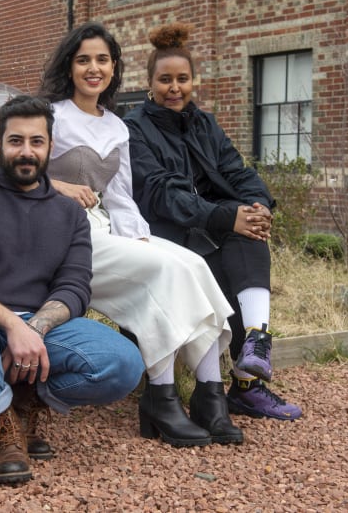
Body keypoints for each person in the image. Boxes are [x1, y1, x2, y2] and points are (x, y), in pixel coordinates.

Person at [0, 95, 145, 484]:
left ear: (50, 146)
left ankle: (23, 403)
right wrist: (13, 327)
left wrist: (34, 329)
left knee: (124, 363)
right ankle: (4, 425)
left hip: (42, 331)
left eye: (36, 141)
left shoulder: (71, 213)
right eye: (16, 141)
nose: (26, 151)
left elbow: (75, 288)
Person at [39, 22, 243, 448]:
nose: (93, 68)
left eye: (102, 60)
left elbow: (120, 196)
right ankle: (161, 399)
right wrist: (58, 186)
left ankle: (210, 396)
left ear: (114, 67)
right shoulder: (50, 116)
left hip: (106, 229)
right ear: (69, 66)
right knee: (161, 272)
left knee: (191, 264)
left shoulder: (117, 126)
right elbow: (11, 171)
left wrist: (141, 237)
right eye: (83, 60)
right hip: (60, 235)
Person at [124, 23, 302, 421]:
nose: (174, 88)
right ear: (149, 83)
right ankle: (237, 383)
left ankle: (252, 362)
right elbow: (161, 193)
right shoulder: (135, 129)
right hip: (164, 235)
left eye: (182, 79)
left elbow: (237, 171)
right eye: (165, 80)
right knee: (225, 258)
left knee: (250, 235)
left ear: (193, 81)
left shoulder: (204, 124)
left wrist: (258, 206)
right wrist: (227, 217)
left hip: (207, 229)